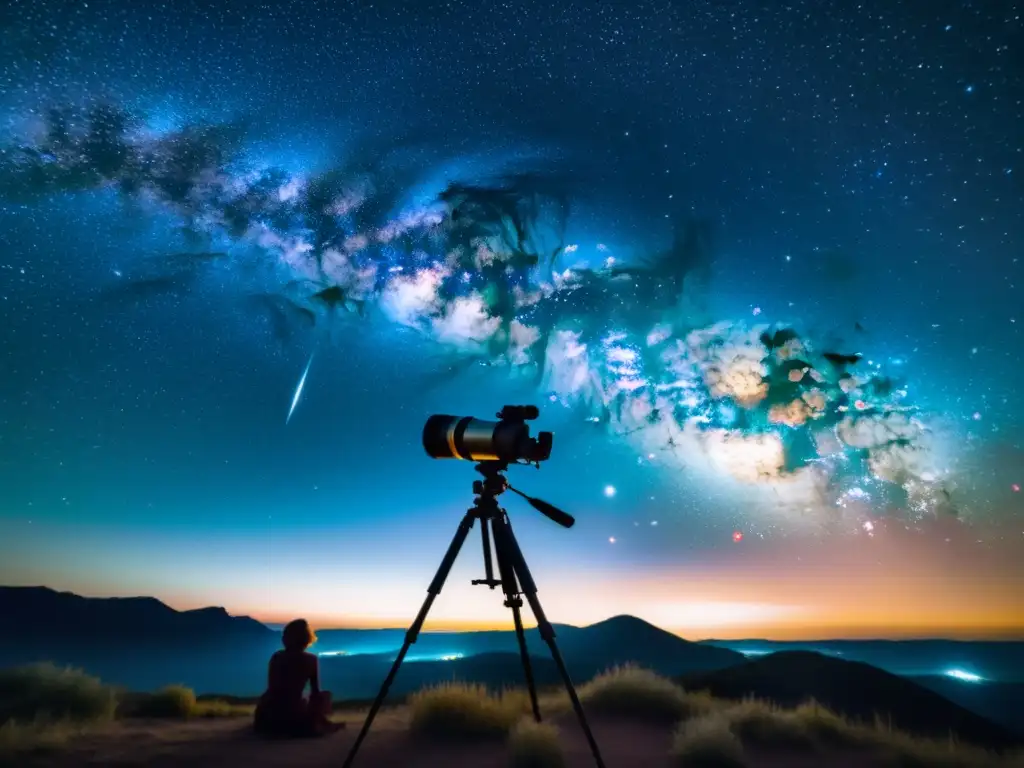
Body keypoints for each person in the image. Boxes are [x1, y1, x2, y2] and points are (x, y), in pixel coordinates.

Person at [254, 618, 339, 737]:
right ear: (307, 639)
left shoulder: (277, 657)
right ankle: (320, 723)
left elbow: (271, 688)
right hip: (295, 716)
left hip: (269, 716)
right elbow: (315, 692)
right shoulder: (311, 659)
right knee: (325, 695)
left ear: (287, 638)